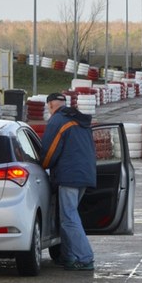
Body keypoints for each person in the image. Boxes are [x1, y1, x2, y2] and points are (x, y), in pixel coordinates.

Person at [40, 92, 97, 271]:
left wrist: (42, 166)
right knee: (69, 216)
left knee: (69, 218)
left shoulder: (57, 121)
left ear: (50, 106)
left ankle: (85, 257)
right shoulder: (79, 120)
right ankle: (69, 257)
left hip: (69, 176)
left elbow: (49, 151)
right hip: (85, 174)